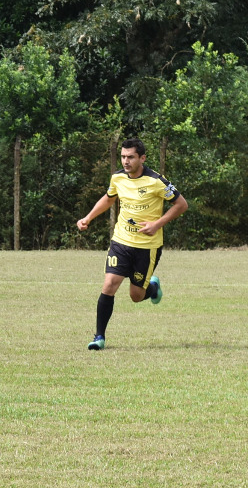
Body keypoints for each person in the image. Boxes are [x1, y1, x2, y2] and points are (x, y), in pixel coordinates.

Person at [76, 137, 189, 351]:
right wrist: (88, 217)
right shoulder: (117, 178)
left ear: (142, 158)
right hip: (121, 241)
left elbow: (181, 204)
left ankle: (152, 287)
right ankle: (99, 337)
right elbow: (109, 199)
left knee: (136, 296)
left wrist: (157, 224)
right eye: (123, 156)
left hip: (147, 246)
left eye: (130, 157)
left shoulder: (157, 181)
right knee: (109, 285)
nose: (126, 161)